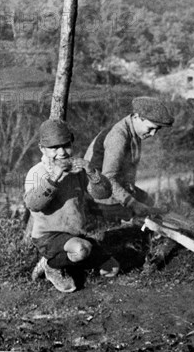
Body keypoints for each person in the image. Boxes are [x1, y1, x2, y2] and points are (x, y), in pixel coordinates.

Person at [25, 119, 118, 293]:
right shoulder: (37, 172)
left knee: (111, 270)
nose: (61, 152)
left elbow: (103, 193)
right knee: (81, 249)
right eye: (53, 148)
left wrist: (91, 172)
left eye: (66, 145)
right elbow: (33, 204)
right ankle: (51, 266)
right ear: (42, 149)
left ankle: (73, 261)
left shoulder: (77, 170)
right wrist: (54, 178)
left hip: (75, 232)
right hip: (48, 236)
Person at [84, 97, 174, 221]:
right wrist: (133, 203)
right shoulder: (119, 137)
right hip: (99, 197)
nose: (153, 134)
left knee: (151, 202)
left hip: (115, 190)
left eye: (157, 130)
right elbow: (108, 179)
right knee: (141, 218)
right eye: (150, 128)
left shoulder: (134, 130)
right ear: (137, 117)